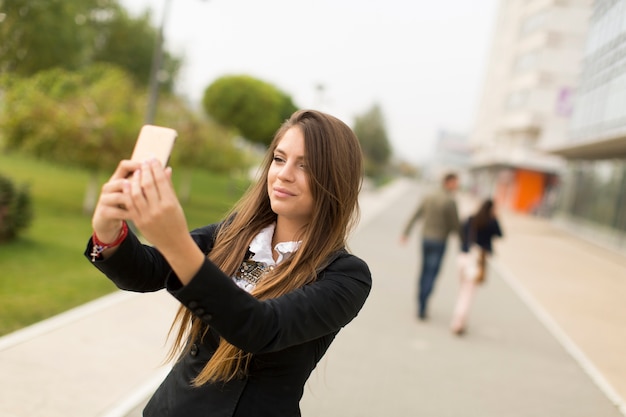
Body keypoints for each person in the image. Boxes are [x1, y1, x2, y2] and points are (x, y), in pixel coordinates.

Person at [84, 110, 372, 417]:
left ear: (336, 179)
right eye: (279, 158)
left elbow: (259, 328)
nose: (284, 174)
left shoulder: (345, 276)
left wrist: (174, 240)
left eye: (306, 166)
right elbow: (148, 271)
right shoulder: (235, 232)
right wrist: (108, 230)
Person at [400, 172, 461, 320]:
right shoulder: (450, 201)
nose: (457, 185)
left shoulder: (428, 196)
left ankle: (420, 301)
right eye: (455, 182)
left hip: (425, 239)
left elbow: (416, 214)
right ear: (448, 182)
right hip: (439, 241)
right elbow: (455, 225)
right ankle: (423, 303)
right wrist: (464, 241)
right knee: (432, 273)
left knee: (424, 270)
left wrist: (405, 232)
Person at [450, 198, 503, 335]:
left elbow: (461, 234)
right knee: (468, 293)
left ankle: (459, 320)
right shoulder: (491, 223)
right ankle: (458, 323)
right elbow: (500, 235)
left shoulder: (471, 219)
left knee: (462, 290)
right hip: (477, 261)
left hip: (463, 258)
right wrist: (496, 218)